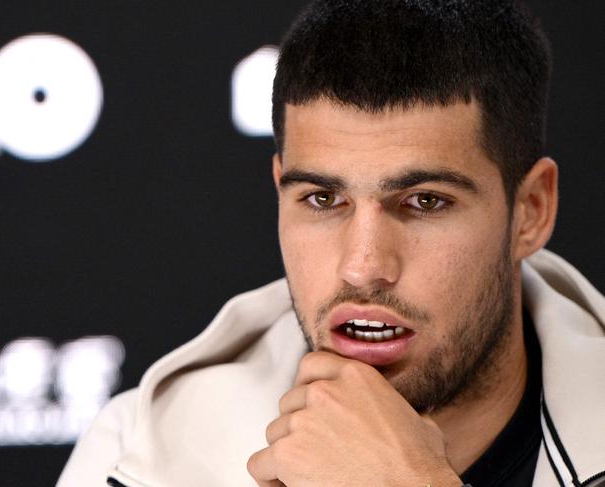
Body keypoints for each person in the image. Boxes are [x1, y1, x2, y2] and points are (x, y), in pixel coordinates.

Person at [57, 1, 605, 486]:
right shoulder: (139, 456)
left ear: (531, 211)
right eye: (322, 199)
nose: (362, 268)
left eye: (425, 202)